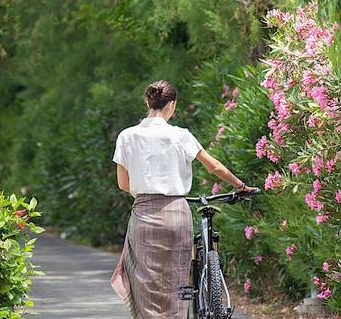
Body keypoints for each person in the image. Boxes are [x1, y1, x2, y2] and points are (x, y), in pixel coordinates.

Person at [110, 79, 258, 319]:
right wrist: (241, 186)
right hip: (176, 214)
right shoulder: (180, 136)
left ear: (148, 102)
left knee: (144, 282)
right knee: (175, 283)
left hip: (144, 215)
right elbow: (215, 167)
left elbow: (123, 184)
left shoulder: (127, 137)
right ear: (172, 105)